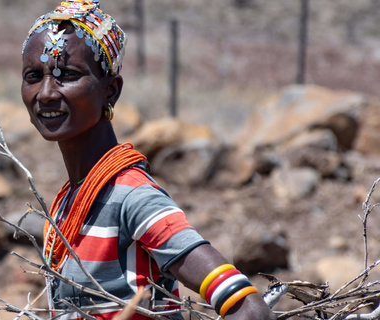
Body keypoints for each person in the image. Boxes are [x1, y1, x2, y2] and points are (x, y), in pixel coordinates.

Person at [21, 1, 275, 319]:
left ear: (110, 91)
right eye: (33, 76)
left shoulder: (132, 196)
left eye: (67, 75)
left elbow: (250, 310)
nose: (45, 93)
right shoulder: (65, 204)